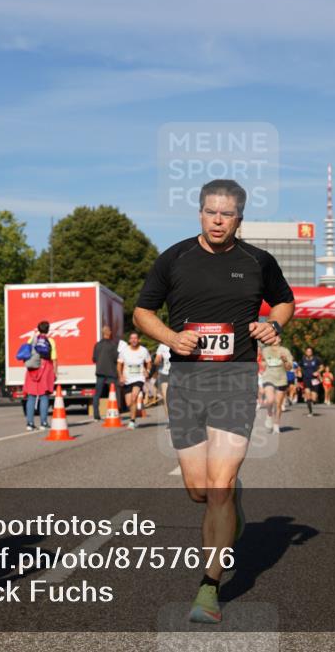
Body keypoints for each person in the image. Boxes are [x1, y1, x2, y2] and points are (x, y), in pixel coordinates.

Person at [133, 179, 294, 624]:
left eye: (227, 214)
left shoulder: (258, 261)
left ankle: (208, 588)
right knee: (199, 491)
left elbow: (284, 303)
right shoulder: (175, 257)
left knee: (219, 486)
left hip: (235, 381)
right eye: (210, 212)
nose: (218, 220)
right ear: (200, 213)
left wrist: (273, 326)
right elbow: (142, 312)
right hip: (185, 382)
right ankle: (231, 503)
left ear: (239, 218)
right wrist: (171, 337)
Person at [23, 321, 57, 430]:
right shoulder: (51, 341)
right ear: (48, 329)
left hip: (32, 369)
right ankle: (43, 422)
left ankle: (30, 423)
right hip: (46, 368)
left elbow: (26, 354)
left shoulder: (31, 339)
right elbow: (54, 359)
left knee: (31, 396)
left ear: (38, 329)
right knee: (44, 396)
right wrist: (55, 373)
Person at [117, 332, 151, 430]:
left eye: (135, 338)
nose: (134, 340)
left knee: (134, 397)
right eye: (132, 338)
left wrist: (147, 371)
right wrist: (120, 376)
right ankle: (134, 418)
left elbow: (148, 362)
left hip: (139, 378)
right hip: (127, 379)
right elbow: (119, 364)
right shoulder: (124, 351)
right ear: (129, 340)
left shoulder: (144, 350)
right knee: (129, 403)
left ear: (138, 340)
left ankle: (132, 421)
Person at [261, 342, 293, 433]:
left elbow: (289, 368)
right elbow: (261, 361)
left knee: (278, 404)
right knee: (270, 399)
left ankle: (276, 424)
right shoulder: (265, 350)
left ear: (279, 339)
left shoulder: (285, 351)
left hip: (281, 379)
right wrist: (262, 365)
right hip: (268, 377)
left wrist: (285, 360)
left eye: (277, 335)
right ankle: (269, 414)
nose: (275, 338)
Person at [91, 325, 119, 421]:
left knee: (97, 394)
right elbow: (116, 359)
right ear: (109, 333)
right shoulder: (113, 345)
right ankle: (115, 411)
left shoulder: (97, 345)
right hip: (111, 372)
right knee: (114, 393)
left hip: (100, 372)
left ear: (103, 333)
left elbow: (94, 359)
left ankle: (96, 414)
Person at [298, 347, 323, 416]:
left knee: (314, 399)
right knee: (308, 395)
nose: (309, 352)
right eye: (307, 351)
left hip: (315, 380)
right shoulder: (303, 359)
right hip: (306, 379)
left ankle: (314, 400)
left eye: (310, 351)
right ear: (305, 352)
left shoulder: (316, 359)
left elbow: (322, 367)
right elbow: (299, 367)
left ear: (312, 352)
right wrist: (299, 372)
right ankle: (310, 412)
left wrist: (317, 372)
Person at [155, 342, 172, 418]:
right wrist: (158, 360)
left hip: (178, 374)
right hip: (165, 374)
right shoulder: (162, 345)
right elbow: (156, 360)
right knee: (166, 397)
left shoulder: (181, 342)